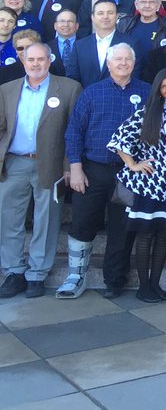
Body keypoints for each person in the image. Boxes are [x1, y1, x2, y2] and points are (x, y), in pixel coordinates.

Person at [58, 44, 149, 299]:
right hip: (94, 170)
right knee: (83, 223)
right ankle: (76, 276)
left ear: (134, 62)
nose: (122, 63)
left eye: (127, 59)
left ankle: (115, 280)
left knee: (122, 228)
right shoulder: (91, 93)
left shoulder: (147, 92)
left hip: (130, 174)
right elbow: (74, 131)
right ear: (108, 64)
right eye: (117, 59)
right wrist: (74, 167)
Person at [0, 43, 81, 299]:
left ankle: (37, 273)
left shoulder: (68, 88)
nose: (35, 64)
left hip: (51, 163)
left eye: (41, 59)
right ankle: (13, 271)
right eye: (30, 59)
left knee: (46, 219)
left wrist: (70, 166)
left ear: (49, 60)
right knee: (9, 218)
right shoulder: (7, 90)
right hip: (14, 162)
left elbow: (73, 132)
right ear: (23, 61)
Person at [107, 68, 166, 303]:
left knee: (164, 236)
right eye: (164, 87)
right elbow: (120, 138)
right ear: (158, 91)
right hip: (149, 185)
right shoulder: (150, 112)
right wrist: (133, 164)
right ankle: (144, 287)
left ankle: (155, 285)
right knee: (145, 236)